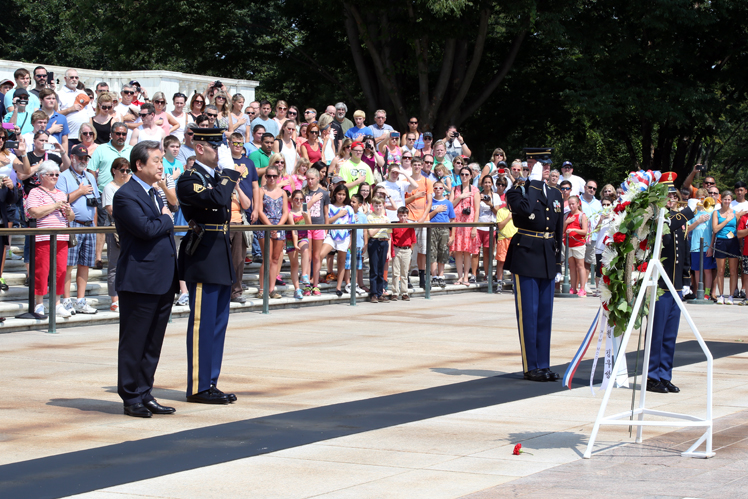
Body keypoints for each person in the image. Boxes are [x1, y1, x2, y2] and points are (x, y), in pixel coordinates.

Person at [107, 140, 178, 417]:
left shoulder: (154, 192)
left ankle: (145, 391)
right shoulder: (126, 195)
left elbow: (158, 222)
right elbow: (146, 229)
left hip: (162, 279)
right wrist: (167, 220)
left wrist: (164, 217)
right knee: (134, 341)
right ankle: (130, 396)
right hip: (139, 280)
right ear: (139, 164)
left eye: (162, 160)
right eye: (156, 160)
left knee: (152, 342)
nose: (161, 165)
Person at [176, 127, 241, 405]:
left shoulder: (214, 177)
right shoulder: (190, 178)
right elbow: (216, 199)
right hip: (203, 256)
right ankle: (198, 386)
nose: (222, 152)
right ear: (200, 148)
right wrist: (229, 173)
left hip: (219, 253)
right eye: (217, 148)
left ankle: (211, 381)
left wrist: (224, 175)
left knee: (218, 325)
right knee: (202, 325)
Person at [505, 148, 564, 382]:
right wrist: (535, 183)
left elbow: (558, 229)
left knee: (544, 316)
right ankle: (531, 367)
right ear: (531, 164)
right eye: (541, 164)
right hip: (527, 256)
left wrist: (558, 262)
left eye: (548, 165)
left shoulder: (557, 194)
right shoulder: (517, 191)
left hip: (548, 255)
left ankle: (544, 364)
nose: (546, 168)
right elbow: (526, 210)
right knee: (529, 314)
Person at [646, 173, 694, 393]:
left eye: (674, 195)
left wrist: (686, 280)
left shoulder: (678, 220)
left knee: (670, 334)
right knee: (657, 332)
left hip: (674, 285)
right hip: (659, 285)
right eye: (668, 195)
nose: (673, 199)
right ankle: (651, 375)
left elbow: (683, 253)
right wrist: (689, 212)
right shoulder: (656, 217)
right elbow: (666, 228)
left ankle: (664, 374)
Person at [25, 161, 73, 317]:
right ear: (41, 176)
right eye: (51, 174)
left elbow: (71, 217)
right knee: (42, 270)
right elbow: (33, 212)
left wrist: (67, 211)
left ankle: (57, 303)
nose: (54, 177)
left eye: (57, 174)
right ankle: (39, 303)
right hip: (43, 237)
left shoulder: (61, 193)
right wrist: (55, 206)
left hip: (62, 236)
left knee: (61, 271)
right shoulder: (35, 192)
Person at [56, 144, 100, 315]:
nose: (83, 161)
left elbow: (95, 203)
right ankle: (66, 299)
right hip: (72, 224)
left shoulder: (90, 177)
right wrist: (80, 191)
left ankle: (80, 299)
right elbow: (61, 199)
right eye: (80, 158)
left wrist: (95, 225)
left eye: (85, 158)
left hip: (88, 224)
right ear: (72, 158)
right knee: (68, 264)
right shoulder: (63, 176)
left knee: (85, 264)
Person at [102, 157, 131, 313]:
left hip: (130, 229)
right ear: (114, 170)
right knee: (114, 265)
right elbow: (111, 210)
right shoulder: (109, 187)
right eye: (122, 170)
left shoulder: (130, 187)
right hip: (115, 228)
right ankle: (114, 300)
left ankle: (126, 296)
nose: (125, 173)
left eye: (127, 170)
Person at [256, 164, 289, 299]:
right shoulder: (260, 191)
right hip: (265, 225)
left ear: (278, 177)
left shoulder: (283, 192)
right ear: (265, 176)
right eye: (269, 176)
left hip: (279, 225)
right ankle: (262, 289)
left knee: (275, 259)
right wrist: (270, 226)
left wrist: (278, 226)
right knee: (267, 259)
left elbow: (285, 212)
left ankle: (271, 289)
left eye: (274, 176)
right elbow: (259, 210)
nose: (271, 178)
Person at [320, 184, 354, 296]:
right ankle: (314, 278)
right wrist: (339, 215)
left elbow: (352, 225)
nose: (341, 196)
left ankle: (339, 287)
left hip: (344, 237)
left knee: (341, 263)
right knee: (320, 255)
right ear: (335, 194)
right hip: (331, 235)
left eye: (343, 194)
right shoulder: (329, 206)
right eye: (339, 194)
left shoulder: (349, 208)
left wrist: (350, 241)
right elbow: (327, 221)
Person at [405, 156, 433, 288]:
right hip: (410, 217)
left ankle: (422, 278)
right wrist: (415, 196)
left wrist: (423, 217)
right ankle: (406, 278)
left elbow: (429, 202)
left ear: (422, 166)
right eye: (414, 164)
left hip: (423, 219)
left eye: (419, 164)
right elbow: (402, 201)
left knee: (423, 250)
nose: (417, 167)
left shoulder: (427, 182)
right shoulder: (406, 181)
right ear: (411, 165)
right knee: (408, 250)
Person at [712, 190, 744, 304]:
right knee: (720, 271)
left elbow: (739, 229)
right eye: (725, 199)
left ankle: (731, 296)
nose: (727, 201)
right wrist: (726, 220)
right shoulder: (716, 213)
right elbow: (715, 229)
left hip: (733, 242)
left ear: (731, 200)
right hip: (721, 241)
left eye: (729, 199)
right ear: (722, 200)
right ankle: (721, 295)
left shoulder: (736, 213)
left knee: (733, 271)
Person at [449, 166, 480, 285]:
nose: (464, 176)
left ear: (471, 176)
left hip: (469, 222)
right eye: (462, 174)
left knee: (467, 251)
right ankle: (460, 276)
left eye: (467, 174)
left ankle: (466, 276)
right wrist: (460, 197)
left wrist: (474, 226)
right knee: (458, 250)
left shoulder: (475, 190)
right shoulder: (455, 189)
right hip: (457, 222)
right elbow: (450, 205)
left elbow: (477, 210)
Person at [303, 168, 330, 296]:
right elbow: (302, 209)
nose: (310, 181)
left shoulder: (324, 194)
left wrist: (326, 228)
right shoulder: (304, 192)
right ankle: (307, 284)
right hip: (307, 226)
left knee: (316, 256)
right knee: (307, 256)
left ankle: (315, 284)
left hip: (319, 225)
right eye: (307, 178)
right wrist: (312, 201)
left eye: (312, 178)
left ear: (318, 178)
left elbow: (326, 212)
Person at [428, 180, 456, 288]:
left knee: (443, 253)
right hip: (432, 228)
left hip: (444, 229)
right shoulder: (430, 201)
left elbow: (452, 219)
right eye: (436, 188)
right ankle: (434, 276)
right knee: (432, 252)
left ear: (443, 190)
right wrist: (436, 210)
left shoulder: (448, 203)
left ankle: (440, 276)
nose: (438, 190)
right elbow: (427, 216)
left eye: (440, 188)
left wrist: (452, 235)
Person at [286, 190, 312, 300]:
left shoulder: (306, 210)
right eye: (296, 199)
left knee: (306, 250)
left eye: (301, 199)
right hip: (292, 238)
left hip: (303, 236)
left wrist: (306, 216)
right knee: (294, 264)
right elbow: (293, 229)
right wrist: (295, 243)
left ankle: (304, 274)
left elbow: (309, 225)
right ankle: (297, 289)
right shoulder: (290, 213)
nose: (299, 201)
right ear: (292, 199)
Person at [477, 175, 501, 282]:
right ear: (482, 184)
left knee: (488, 252)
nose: (487, 184)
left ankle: (487, 274)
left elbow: (498, 213)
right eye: (485, 182)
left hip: (490, 227)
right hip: (478, 226)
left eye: (489, 182)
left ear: (492, 184)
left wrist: (490, 204)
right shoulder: (478, 195)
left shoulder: (495, 196)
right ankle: (475, 273)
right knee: (476, 251)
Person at [367, 197, 391, 302]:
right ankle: (373, 293)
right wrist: (380, 224)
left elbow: (389, 235)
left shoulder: (386, 218)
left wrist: (389, 251)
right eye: (376, 205)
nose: (378, 207)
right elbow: (371, 233)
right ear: (372, 206)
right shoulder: (369, 217)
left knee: (381, 269)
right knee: (374, 269)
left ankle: (380, 292)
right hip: (374, 241)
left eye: (380, 205)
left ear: (383, 205)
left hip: (384, 242)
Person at [564, 195, 588, 295]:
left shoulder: (582, 215)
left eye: (573, 204)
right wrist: (566, 223)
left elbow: (585, 231)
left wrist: (573, 229)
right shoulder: (566, 215)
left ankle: (582, 288)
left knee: (580, 266)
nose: (571, 206)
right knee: (572, 267)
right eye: (569, 204)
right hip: (569, 244)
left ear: (578, 204)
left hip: (578, 244)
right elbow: (562, 230)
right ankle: (573, 287)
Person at [580, 180, 601, 294]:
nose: (592, 190)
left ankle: (585, 284)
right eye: (590, 187)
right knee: (579, 261)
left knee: (588, 262)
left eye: (594, 188)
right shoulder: (578, 200)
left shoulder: (598, 203)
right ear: (585, 187)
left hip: (593, 236)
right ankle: (579, 284)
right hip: (579, 236)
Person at [390, 206, 416, 300]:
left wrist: (410, 250)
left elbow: (413, 240)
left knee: (404, 272)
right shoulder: (395, 226)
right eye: (401, 215)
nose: (402, 218)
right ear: (397, 215)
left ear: (407, 216)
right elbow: (392, 239)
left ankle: (405, 292)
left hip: (406, 249)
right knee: (395, 272)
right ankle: (395, 292)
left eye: (404, 216)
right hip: (397, 248)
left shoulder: (410, 227)